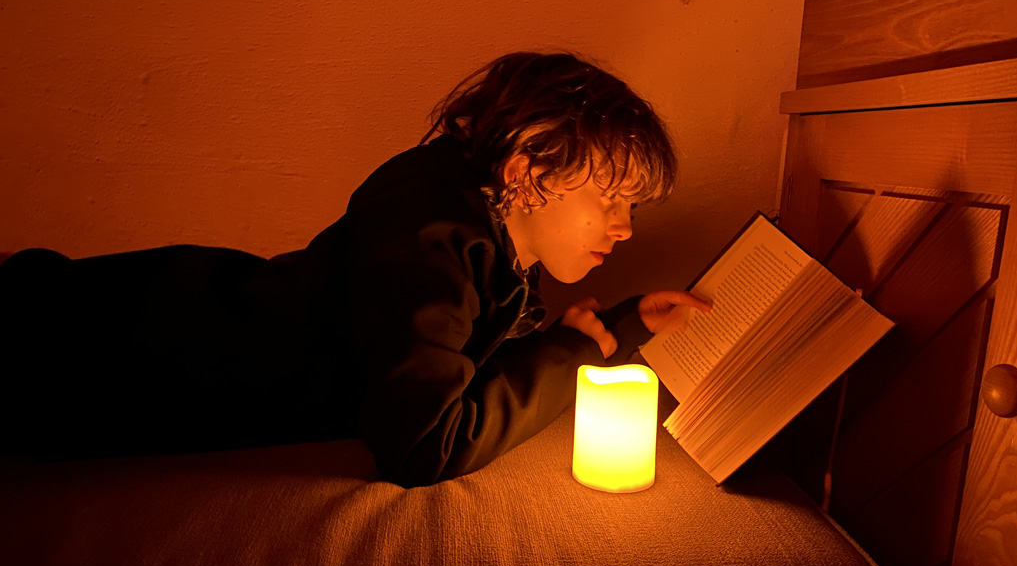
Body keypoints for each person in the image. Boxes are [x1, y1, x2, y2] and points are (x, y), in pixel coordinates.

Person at [0, 51, 708, 487]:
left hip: (145, 321)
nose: (624, 226)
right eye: (610, 198)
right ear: (525, 170)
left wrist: (619, 326)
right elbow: (426, 445)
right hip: (96, 345)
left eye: (634, 207)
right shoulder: (437, 235)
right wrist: (571, 350)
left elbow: (456, 359)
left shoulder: (480, 226)